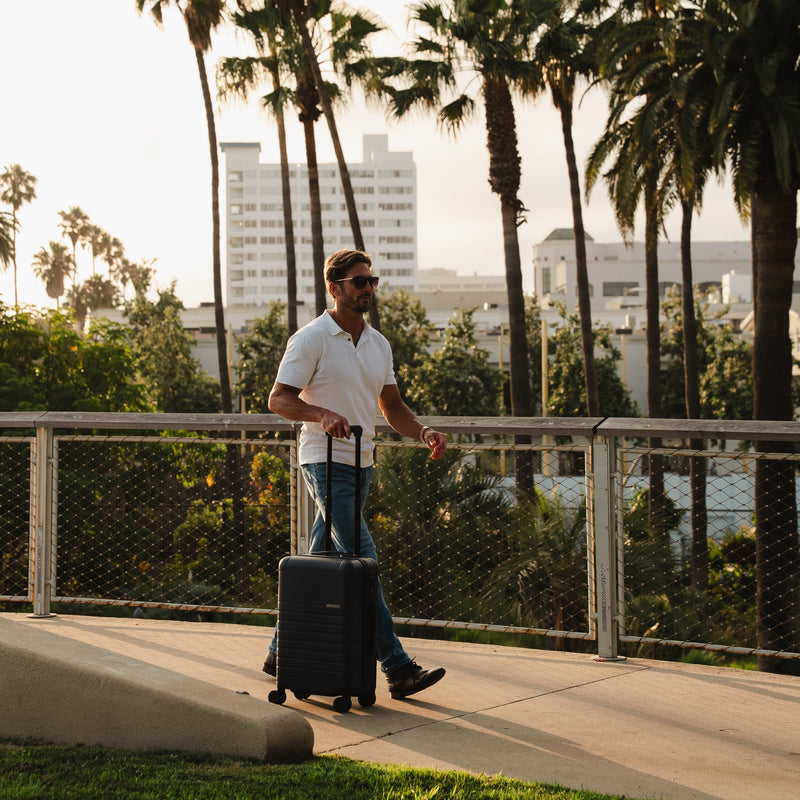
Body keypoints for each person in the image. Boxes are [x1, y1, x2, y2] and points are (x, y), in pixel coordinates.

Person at [262, 248, 447, 700]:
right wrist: (320, 412)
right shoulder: (312, 339)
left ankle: (279, 652)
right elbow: (279, 399)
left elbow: (393, 407)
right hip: (324, 462)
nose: (368, 288)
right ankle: (398, 668)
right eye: (359, 281)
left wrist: (422, 431)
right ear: (335, 288)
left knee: (321, 555)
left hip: (362, 464)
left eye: (372, 281)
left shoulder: (378, 343)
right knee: (363, 563)